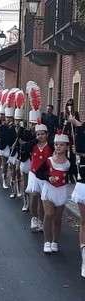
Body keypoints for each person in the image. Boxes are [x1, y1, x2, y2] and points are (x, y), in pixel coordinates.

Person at [36, 133, 70, 253]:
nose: (58, 147)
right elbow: (38, 173)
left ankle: (55, 241)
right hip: (49, 189)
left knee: (57, 218)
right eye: (56, 145)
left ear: (67, 147)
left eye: (61, 145)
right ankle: (47, 241)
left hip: (61, 190)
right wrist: (48, 177)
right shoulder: (49, 160)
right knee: (49, 214)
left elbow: (75, 175)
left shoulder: (69, 163)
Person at [22, 121, 53, 232]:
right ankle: (34, 217)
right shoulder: (33, 145)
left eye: (42, 134)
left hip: (45, 174)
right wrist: (34, 140)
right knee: (35, 195)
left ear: (47, 134)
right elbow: (24, 147)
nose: (40, 136)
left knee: (42, 198)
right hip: (34, 173)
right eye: (38, 134)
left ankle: (41, 220)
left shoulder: (50, 145)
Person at [68, 115, 85, 276]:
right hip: (84, 182)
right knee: (84, 222)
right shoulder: (83, 127)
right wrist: (78, 125)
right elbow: (80, 148)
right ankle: (84, 260)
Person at [59, 98, 80, 182]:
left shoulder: (76, 113)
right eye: (68, 104)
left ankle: (71, 174)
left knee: (72, 157)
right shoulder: (62, 114)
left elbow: (78, 125)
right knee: (64, 156)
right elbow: (60, 125)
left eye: (71, 104)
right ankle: (65, 175)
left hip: (72, 137)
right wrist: (66, 123)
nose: (69, 106)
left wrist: (73, 121)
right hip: (65, 137)